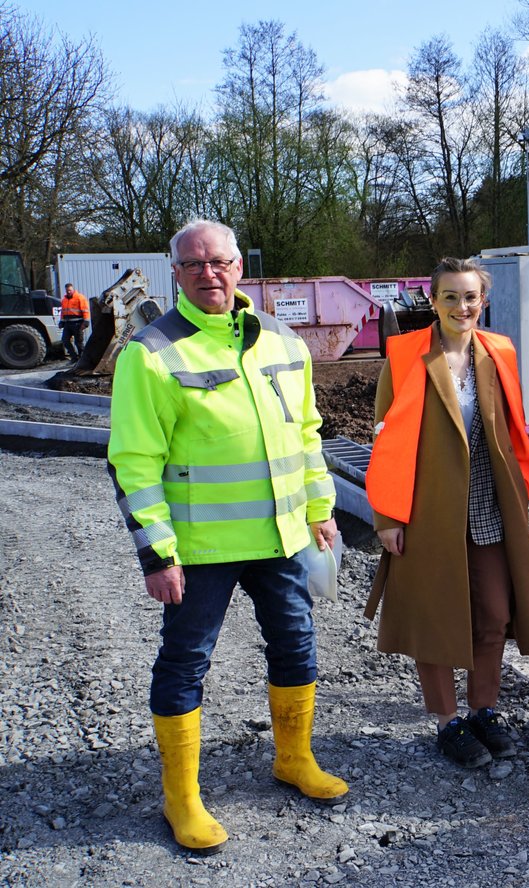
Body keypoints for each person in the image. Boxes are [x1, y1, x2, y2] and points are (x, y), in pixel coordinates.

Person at [107, 220, 347, 855]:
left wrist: (320, 508)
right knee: (186, 662)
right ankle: (181, 796)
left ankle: (294, 759)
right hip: (201, 549)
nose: (208, 273)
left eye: (219, 261)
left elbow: (307, 434)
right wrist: (157, 553)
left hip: (282, 538)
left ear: (240, 266)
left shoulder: (283, 341)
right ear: (175, 273)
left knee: (295, 645)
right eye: (193, 265)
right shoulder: (152, 353)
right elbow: (132, 462)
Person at [363, 257, 529, 768]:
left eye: (471, 297)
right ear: (432, 301)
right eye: (450, 296)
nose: (462, 306)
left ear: (484, 301)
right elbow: (386, 441)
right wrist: (388, 517)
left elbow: (510, 428)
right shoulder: (406, 354)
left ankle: (483, 709)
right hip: (427, 509)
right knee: (436, 619)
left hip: (489, 505)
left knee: (495, 615)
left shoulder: (497, 351)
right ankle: (447, 721)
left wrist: (527, 491)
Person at [60, 282, 90, 360]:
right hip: (68, 324)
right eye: (67, 291)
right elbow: (63, 312)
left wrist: (86, 321)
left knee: (78, 342)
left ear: (73, 289)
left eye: (70, 290)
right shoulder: (64, 300)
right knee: (65, 340)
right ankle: (74, 357)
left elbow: (85, 310)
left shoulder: (80, 298)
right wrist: (62, 321)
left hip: (78, 324)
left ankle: (83, 358)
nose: (69, 292)